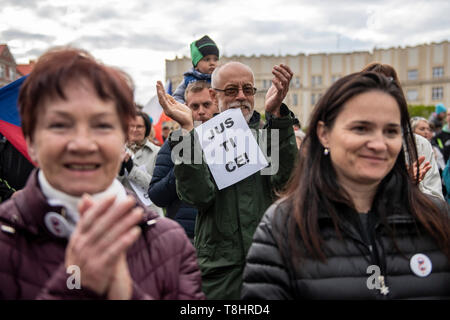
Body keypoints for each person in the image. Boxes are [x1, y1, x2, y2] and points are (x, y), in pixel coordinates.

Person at [0, 47, 204, 300]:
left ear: (122, 138)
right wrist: (73, 288)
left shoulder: (169, 243)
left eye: (102, 125)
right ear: (31, 139)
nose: (84, 143)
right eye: (60, 125)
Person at [241, 71, 450, 299]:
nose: (379, 144)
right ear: (324, 134)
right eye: (360, 128)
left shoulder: (436, 219)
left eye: (391, 131)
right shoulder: (283, 225)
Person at [157, 61, 297, 300]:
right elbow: (198, 197)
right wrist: (187, 132)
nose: (241, 96)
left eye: (248, 90)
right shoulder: (195, 140)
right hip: (220, 272)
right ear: (214, 94)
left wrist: (277, 116)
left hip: (268, 262)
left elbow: (286, 182)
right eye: (232, 90)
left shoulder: (268, 135)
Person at [149, 81, 218, 243]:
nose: (201, 112)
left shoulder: (231, 140)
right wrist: (184, 165)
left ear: (216, 104)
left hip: (220, 237)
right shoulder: (174, 142)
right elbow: (157, 195)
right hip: (185, 238)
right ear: (186, 107)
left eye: (206, 104)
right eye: (194, 107)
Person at [117, 111, 164, 217]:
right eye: (131, 126)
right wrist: (119, 172)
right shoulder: (117, 151)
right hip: (125, 213)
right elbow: (110, 187)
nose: (134, 130)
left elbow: (158, 187)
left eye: (139, 127)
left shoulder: (157, 152)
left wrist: (132, 170)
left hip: (151, 213)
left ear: (146, 129)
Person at [172, 35, 219, 103]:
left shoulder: (219, 79)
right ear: (196, 65)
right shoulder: (188, 79)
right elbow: (177, 96)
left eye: (215, 59)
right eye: (207, 59)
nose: (212, 63)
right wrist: (185, 107)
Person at [0, 133, 34, 202]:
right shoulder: (4, 145)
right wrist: (11, 193)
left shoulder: (42, 145)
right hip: (9, 203)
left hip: (36, 202)